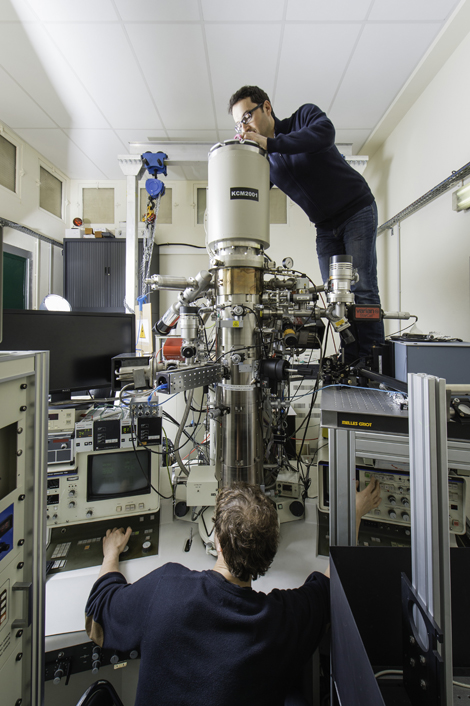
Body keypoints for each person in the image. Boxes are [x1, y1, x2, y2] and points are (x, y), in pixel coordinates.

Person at [85, 479, 381, 706]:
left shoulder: (165, 586)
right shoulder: (283, 620)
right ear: (271, 553)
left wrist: (110, 555)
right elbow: (334, 580)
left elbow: (99, 612)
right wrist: (354, 513)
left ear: (218, 542)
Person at [228, 85, 385, 363]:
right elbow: (251, 193)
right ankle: (352, 362)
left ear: (266, 107)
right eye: (239, 124)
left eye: (246, 117)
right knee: (336, 298)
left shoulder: (304, 118)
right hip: (325, 227)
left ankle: (374, 362)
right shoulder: (267, 160)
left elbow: (324, 135)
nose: (244, 126)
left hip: (356, 210)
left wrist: (268, 144)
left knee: (361, 289)